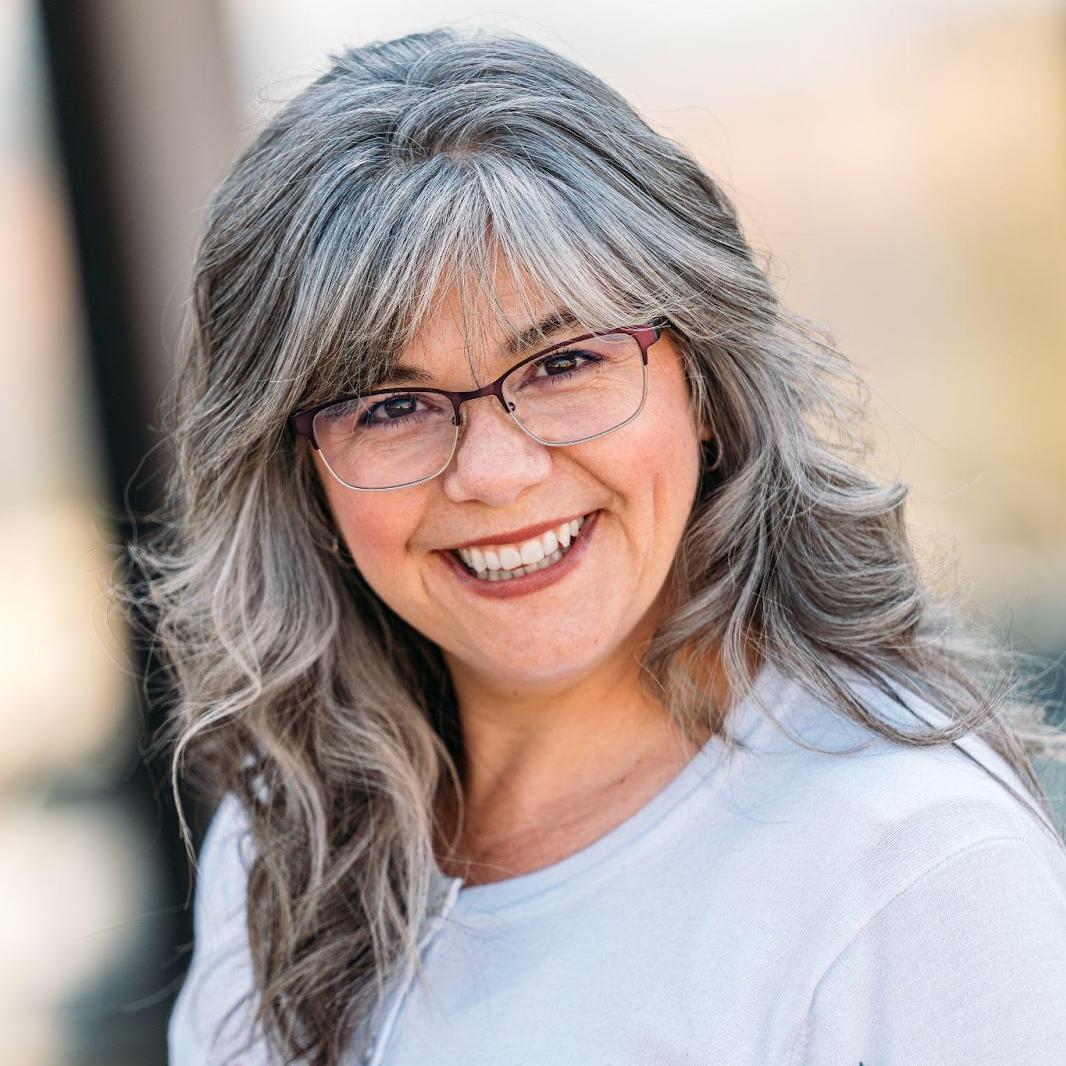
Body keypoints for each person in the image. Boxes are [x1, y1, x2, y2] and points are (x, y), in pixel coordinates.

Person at [135, 25, 1066, 1066]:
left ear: (705, 384)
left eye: (563, 362)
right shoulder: (287, 844)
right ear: (300, 473)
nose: (492, 470)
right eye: (391, 404)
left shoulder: (906, 864)